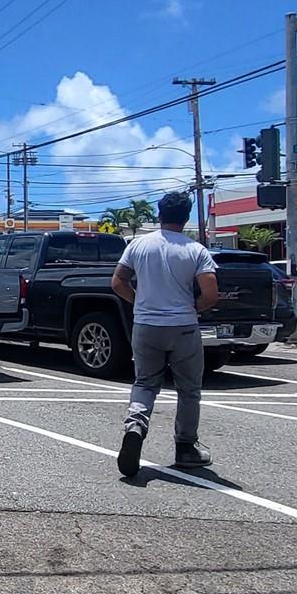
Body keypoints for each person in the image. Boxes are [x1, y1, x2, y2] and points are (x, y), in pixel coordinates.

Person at [109, 191, 219, 477]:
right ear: (186, 217)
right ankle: (186, 447)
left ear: (159, 214)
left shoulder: (139, 245)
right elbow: (210, 293)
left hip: (146, 325)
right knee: (188, 390)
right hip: (183, 326)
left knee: (145, 383)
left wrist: (140, 302)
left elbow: (118, 281)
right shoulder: (196, 251)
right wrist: (192, 308)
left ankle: (135, 425)